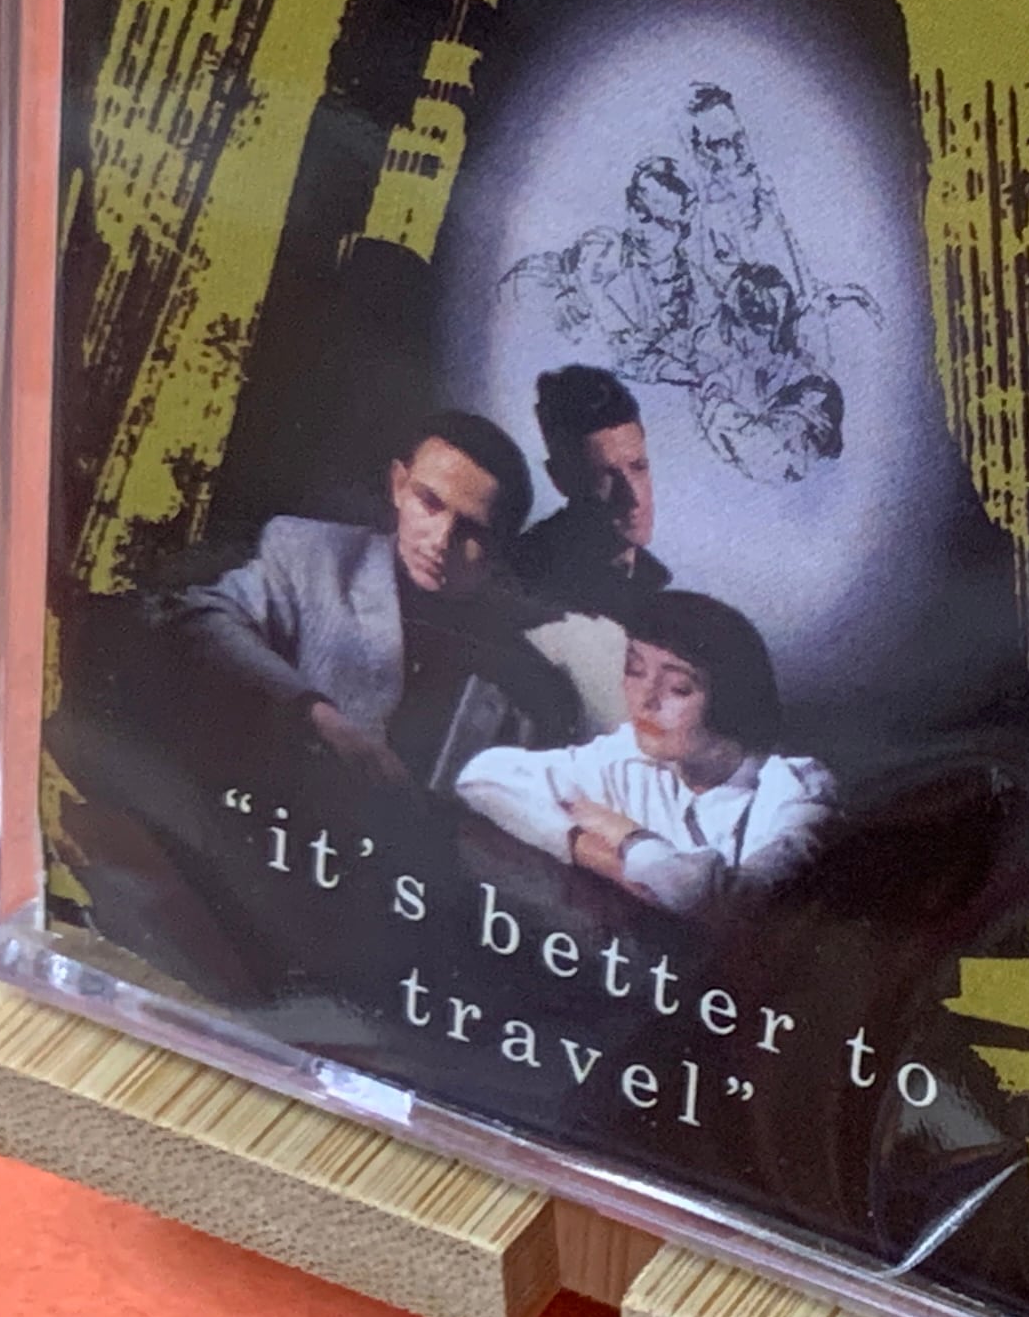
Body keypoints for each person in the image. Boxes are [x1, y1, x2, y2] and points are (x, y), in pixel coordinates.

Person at [158, 413, 583, 788]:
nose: (441, 540)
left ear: (500, 547)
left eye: (471, 529)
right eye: (429, 502)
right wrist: (317, 716)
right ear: (398, 485)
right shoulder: (311, 555)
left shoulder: (525, 682)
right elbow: (199, 616)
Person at [454, 592, 830, 915]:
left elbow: (737, 903)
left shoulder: (795, 787)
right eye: (634, 669)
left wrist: (629, 837)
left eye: (679, 688)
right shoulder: (631, 755)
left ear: (730, 703)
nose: (645, 700)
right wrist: (601, 857)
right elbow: (482, 776)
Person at [510, 364, 671, 617]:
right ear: (560, 479)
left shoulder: (653, 584)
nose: (633, 497)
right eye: (605, 476)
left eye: (639, 467)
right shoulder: (522, 577)